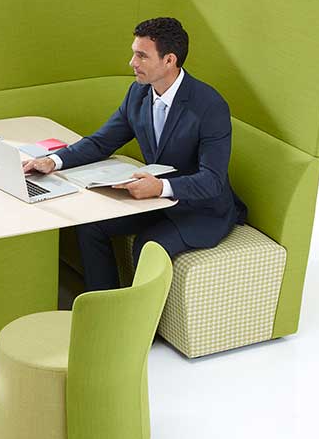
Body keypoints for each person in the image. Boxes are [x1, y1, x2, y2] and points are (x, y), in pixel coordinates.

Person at [23, 17, 247, 291]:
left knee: (148, 244)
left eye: (142, 55)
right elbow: (102, 142)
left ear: (169, 60)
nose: (132, 62)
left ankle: (137, 317)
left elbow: (212, 180)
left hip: (200, 209)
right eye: (134, 53)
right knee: (91, 226)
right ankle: (103, 306)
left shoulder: (210, 106)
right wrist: (53, 161)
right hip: (155, 201)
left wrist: (160, 187)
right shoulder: (138, 93)